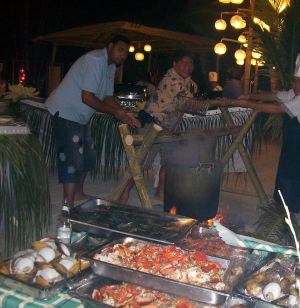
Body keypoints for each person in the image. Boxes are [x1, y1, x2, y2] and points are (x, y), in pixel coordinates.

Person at [217, 53, 300, 250]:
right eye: (295, 81)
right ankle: (285, 228)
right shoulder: (296, 94)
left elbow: (278, 109)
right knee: (289, 189)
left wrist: (245, 104)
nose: (296, 86)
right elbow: (274, 95)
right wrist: (250, 95)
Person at [46, 35, 140, 208]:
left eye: (126, 53)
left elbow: (107, 97)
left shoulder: (110, 66)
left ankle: (79, 193)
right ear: (110, 46)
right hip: (65, 111)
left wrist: (125, 112)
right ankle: (68, 205)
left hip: (80, 116)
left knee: (88, 155)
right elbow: (87, 98)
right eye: (120, 50)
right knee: (72, 157)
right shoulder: (95, 60)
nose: (123, 56)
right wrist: (116, 112)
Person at [119, 50, 197, 203]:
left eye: (190, 64)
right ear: (175, 64)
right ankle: (123, 194)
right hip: (152, 124)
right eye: (184, 63)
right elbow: (189, 103)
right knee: (140, 162)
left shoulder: (186, 81)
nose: (187, 66)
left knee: (168, 162)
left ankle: (160, 194)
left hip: (167, 128)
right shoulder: (174, 80)